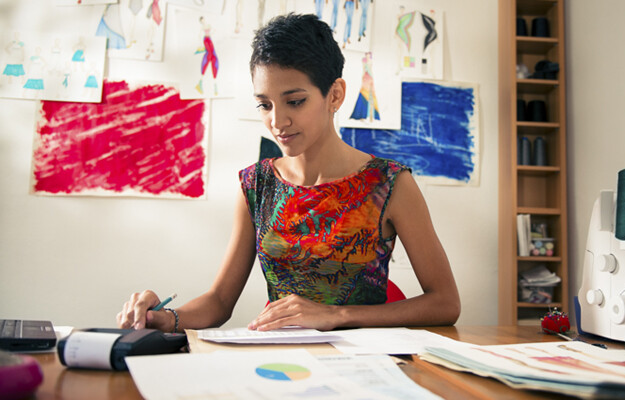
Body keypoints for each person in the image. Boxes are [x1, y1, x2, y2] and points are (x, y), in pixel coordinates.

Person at [116, 13, 460, 333]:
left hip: (365, 363)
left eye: (294, 101)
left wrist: (336, 315)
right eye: (265, 104)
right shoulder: (256, 185)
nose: (277, 122)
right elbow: (219, 302)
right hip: (281, 357)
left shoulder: (390, 184)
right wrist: (163, 318)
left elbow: (445, 303)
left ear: (335, 95)